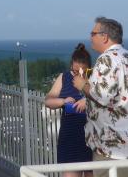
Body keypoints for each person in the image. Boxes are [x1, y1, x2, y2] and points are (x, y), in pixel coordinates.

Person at [73, 17, 128, 177]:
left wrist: (82, 84)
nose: (90, 37)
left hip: (117, 151)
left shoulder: (107, 59)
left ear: (104, 37)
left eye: (93, 33)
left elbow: (101, 95)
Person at [45, 44, 93, 177]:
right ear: (71, 65)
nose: (78, 74)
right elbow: (48, 100)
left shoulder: (95, 77)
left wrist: (87, 101)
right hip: (70, 137)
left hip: (91, 138)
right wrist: (63, 101)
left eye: (82, 71)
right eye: (75, 70)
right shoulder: (64, 77)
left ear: (88, 67)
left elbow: (104, 99)